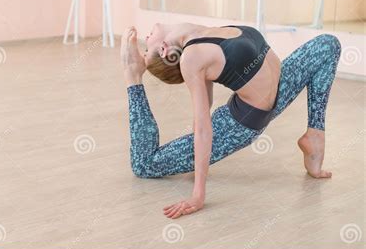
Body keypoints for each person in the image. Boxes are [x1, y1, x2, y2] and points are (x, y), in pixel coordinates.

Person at [120, 23, 342, 219]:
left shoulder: (198, 35)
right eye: (147, 49)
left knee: (328, 44)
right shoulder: (190, 57)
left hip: (279, 88)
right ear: (164, 51)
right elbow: (203, 127)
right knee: (144, 164)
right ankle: (133, 78)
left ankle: (315, 134)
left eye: (145, 47)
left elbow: (205, 104)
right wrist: (198, 195)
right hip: (238, 125)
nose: (146, 40)